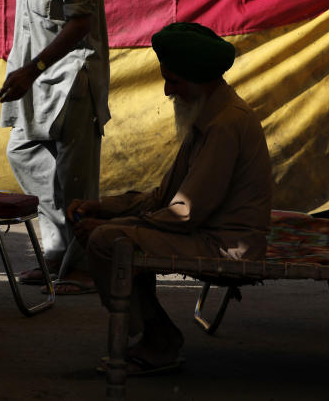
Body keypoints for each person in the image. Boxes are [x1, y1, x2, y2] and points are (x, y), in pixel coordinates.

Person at [69, 22, 272, 374]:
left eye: (174, 82)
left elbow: (183, 214)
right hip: (207, 232)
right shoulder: (209, 115)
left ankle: (158, 339)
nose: (167, 91)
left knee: (106, 241)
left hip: (225, 244)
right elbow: (162, 198)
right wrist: (103, 207)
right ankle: (156, 334)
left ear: (200, 80)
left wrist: (113, 224)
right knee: (115, 234)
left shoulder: (224, 124)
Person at [0, 0, 110, 295]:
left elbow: (80, 22)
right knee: (23, 153)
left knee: (77, 180)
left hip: (70, 79)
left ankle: (79, 268)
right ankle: (61, 255)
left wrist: (33, 69)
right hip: (34, 79)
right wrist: (21, 71)